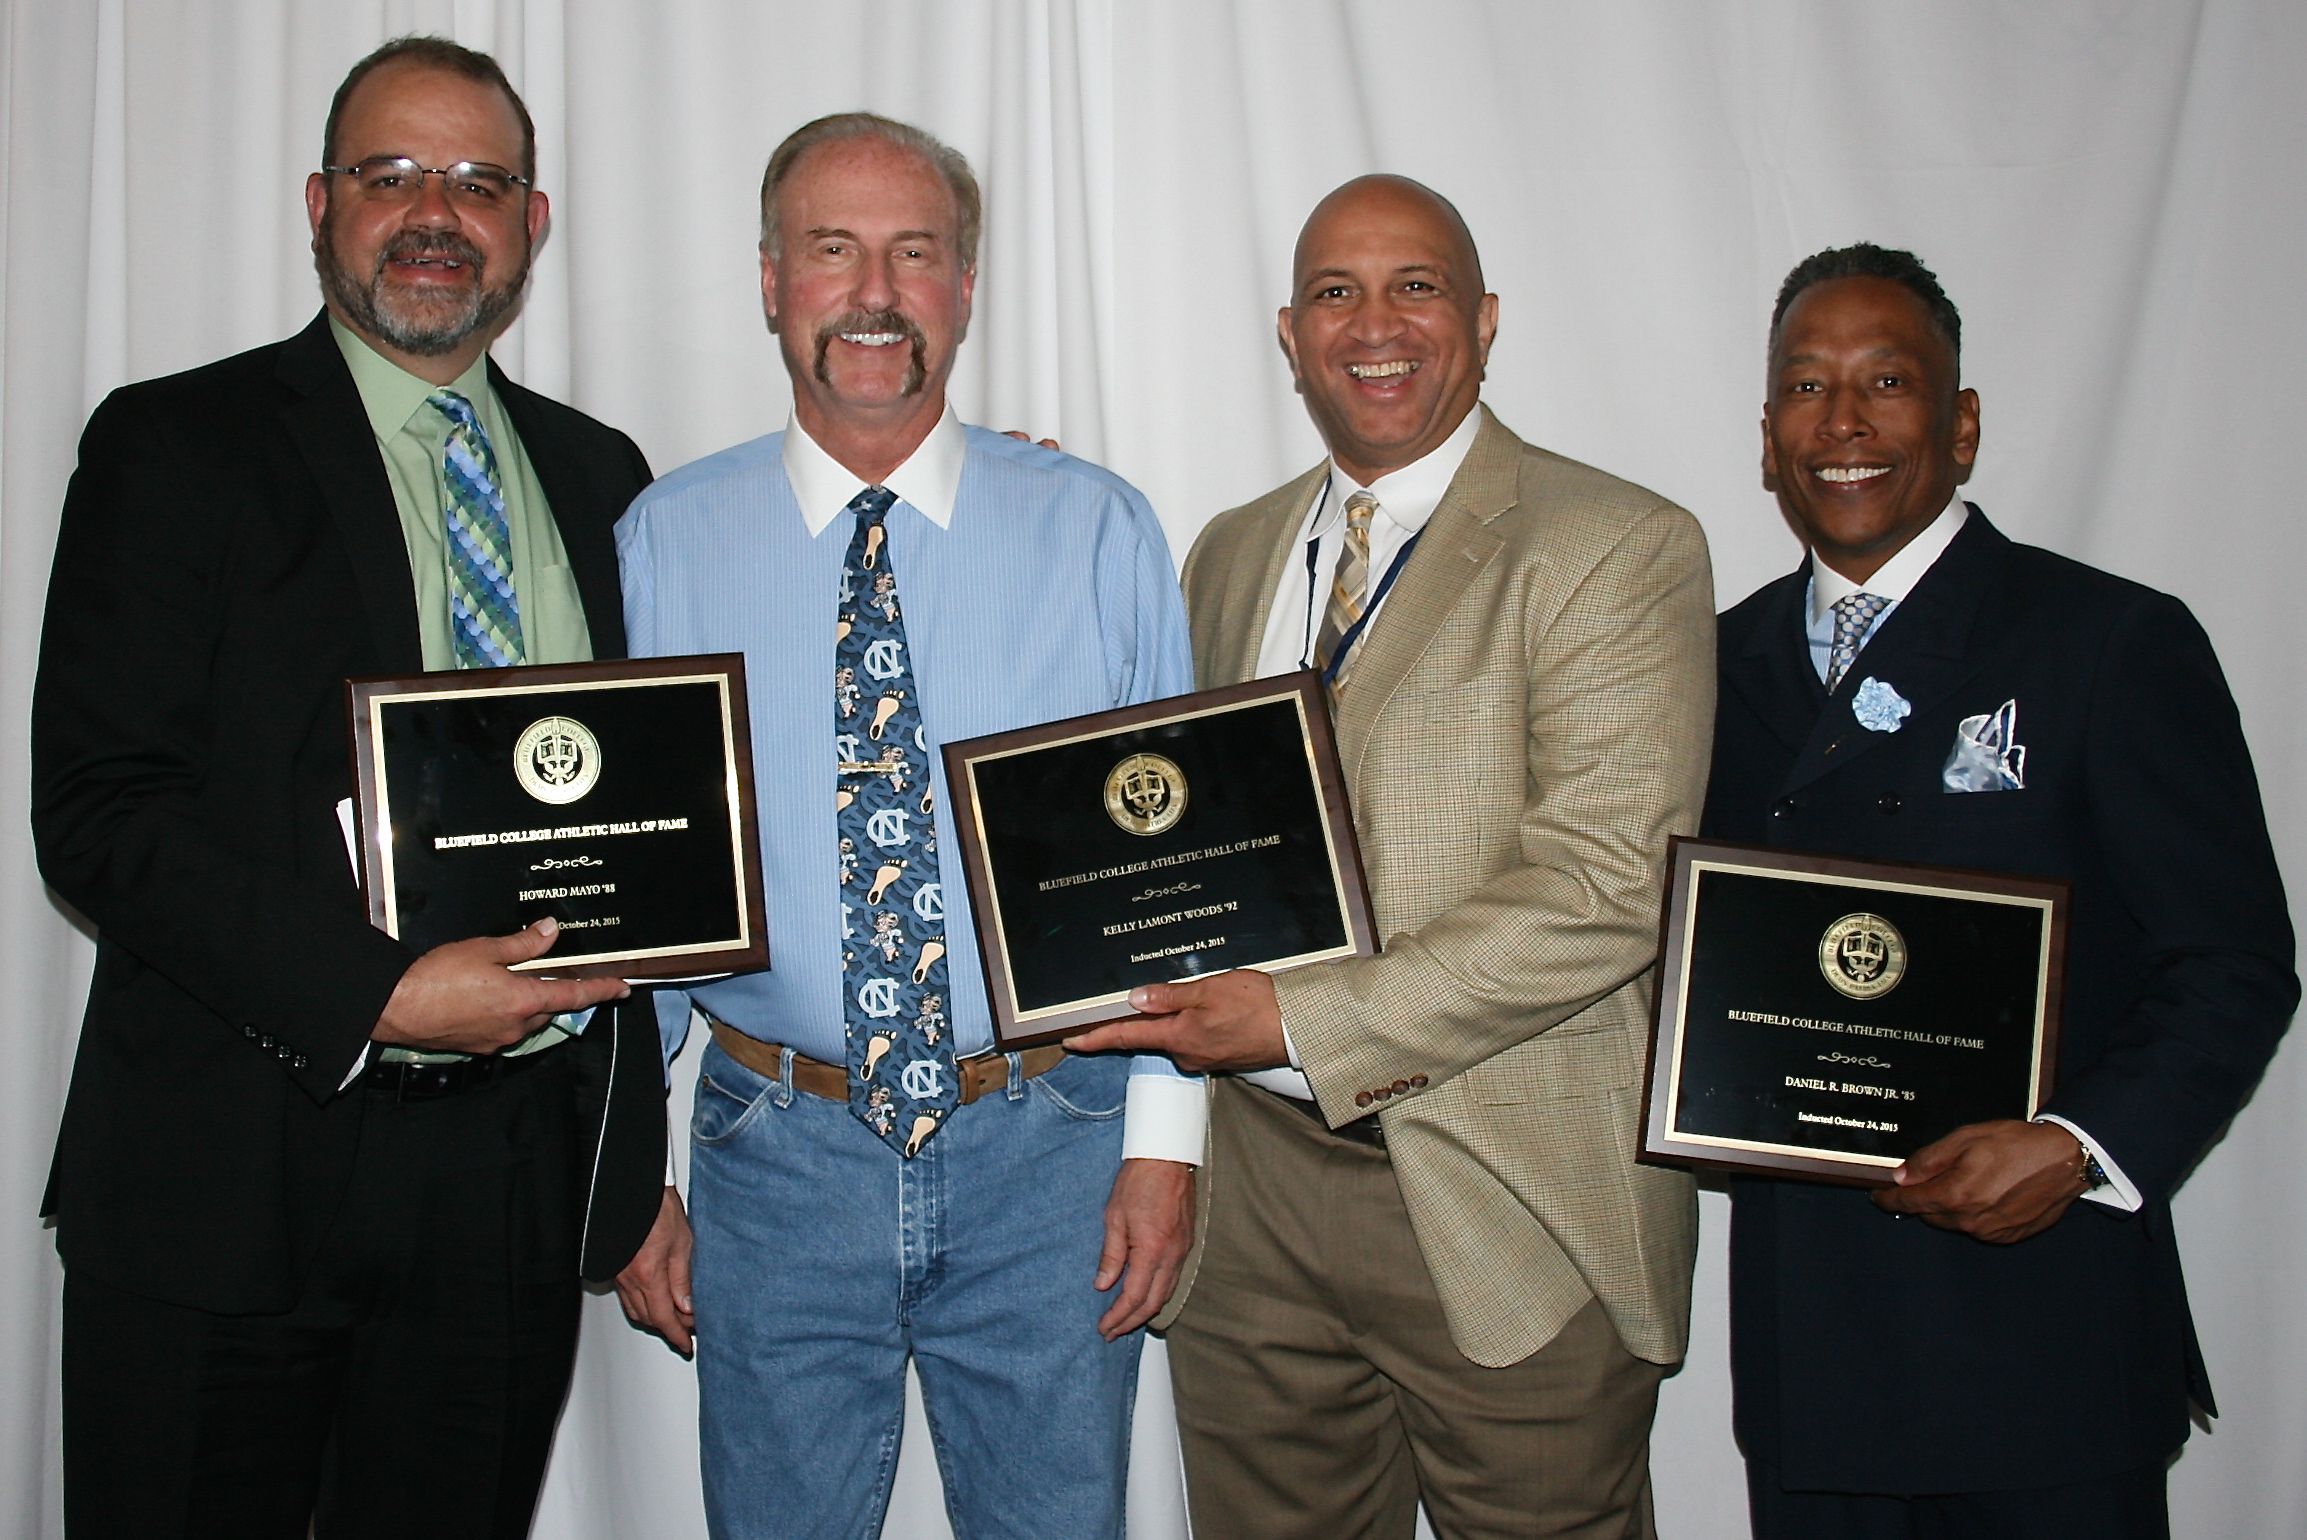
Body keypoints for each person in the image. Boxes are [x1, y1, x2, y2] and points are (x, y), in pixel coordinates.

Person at [30, 35, 664, 1540]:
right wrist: (379, 991)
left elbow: (668, 793)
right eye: (392, 175)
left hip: (503, 1197)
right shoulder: (174, 445)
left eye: (479, 181)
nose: (436, 210)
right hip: (226, 1186)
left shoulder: (603, 478)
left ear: (535, 223)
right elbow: (101, 812)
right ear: (320, 202)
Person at [1068, 174, 1714, 1538]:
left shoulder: (1617, 545)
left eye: (1415, 286)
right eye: (1335, 292)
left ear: (1484, 320)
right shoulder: (1229, 553)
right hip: (1251, 1216)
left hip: (1506, 1199)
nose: (1377, 323)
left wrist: (1298, 1017)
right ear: (1291, 335)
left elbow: (1604, 894)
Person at [611, 113, 1201, 1539]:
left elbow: (1175, 883)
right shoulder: (658, 544)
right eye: (832, 250)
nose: (873, 291)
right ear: (770, 282)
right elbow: (627, 896)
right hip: (774, 1154)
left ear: (966, 285)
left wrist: (1165, 1145)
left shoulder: (1101, 531)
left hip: (1051, 1143)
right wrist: (633, 1171)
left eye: (913, 253)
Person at [1705, 242, 2297, 1538]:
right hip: (1819, 1350)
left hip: (2043, 1331)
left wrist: (2084, 1148)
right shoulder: (1709, 663)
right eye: (1806, 388)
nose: (1844, 422)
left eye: (1889, 382)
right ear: (1766, 439)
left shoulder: (2110, 644)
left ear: (1961, 424)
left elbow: (2233, 963)